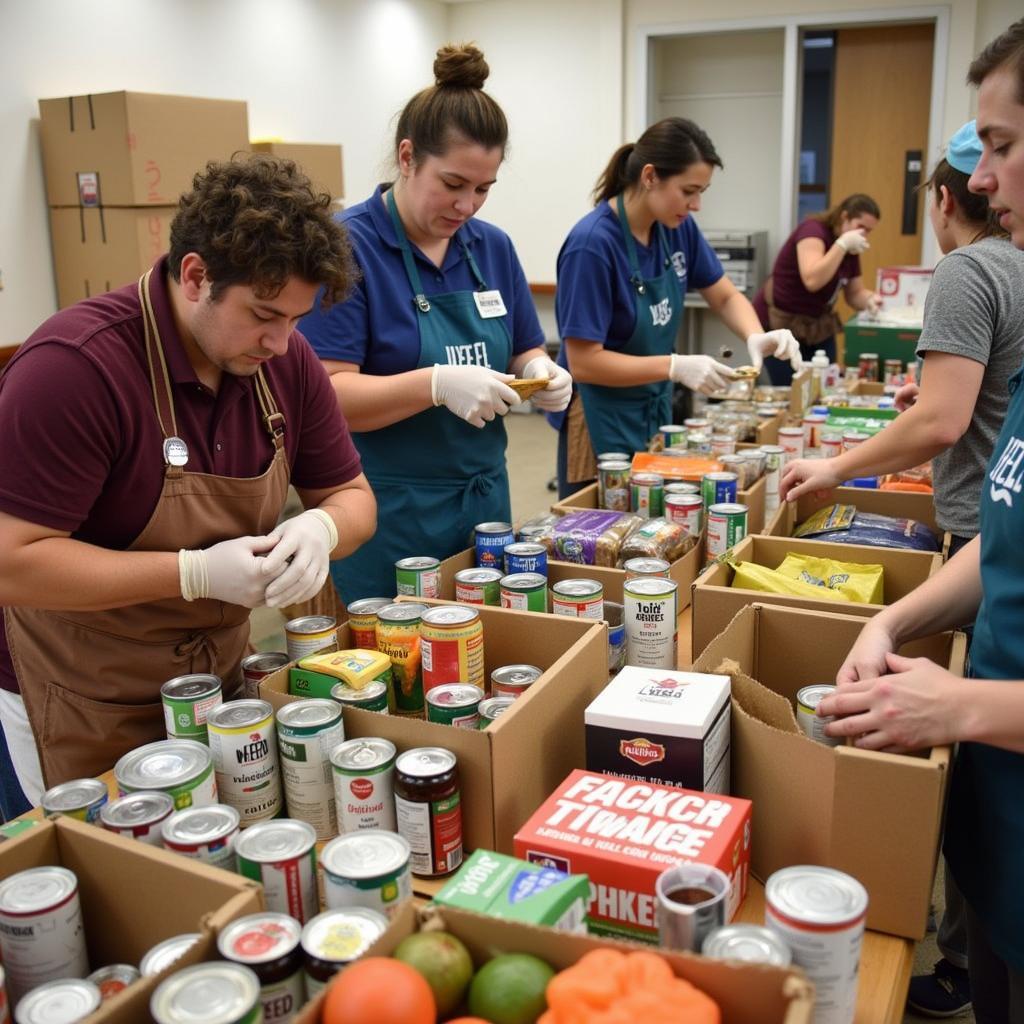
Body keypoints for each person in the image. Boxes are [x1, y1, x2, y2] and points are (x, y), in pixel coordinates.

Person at [0, 156, 377, 812]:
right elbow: (14, 562)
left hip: (217, 683)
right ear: (196, 275)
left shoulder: (285, 365)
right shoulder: (74, 371)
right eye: (264, 314)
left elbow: (353, 499)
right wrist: (193, 572)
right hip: (83, 697)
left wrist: (323, 527)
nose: (283, 343)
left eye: (296, 319)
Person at [779, 119, 1024, 1018]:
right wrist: (887, 622)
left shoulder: (971, 269)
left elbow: (947, 421)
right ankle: (968, 957)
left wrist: (957, 704)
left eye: (1006, 145)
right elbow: (1010, 538)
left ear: (940, 201)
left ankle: (963, 958)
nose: (992, 181)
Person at [300, 44, 571, 603]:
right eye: (452, 184)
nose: (468, 205)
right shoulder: (348, 248)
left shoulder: (490, 247)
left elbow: (522, 346)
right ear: (406, 157)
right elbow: (328, 393)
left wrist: (542, 369)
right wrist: (436, 384)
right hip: (389, 507)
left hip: (484, 499)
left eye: (483, 188)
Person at [550, 117, 801, 499]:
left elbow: (724, 295)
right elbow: (584, 362)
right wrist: (674, 365)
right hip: (601, 417)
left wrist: (756, 334)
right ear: (650, 176)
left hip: (652, 409)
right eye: (688, 191)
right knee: (601, 528)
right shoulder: (592, 246)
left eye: (702, 192)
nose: (696, 205)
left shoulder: (675, 227)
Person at [752, 193, 883, 386]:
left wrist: (870, 300)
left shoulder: (849, 247)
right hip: (781, 323)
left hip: (817, 327)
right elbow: (812, 280)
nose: (863, 235)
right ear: (844, 217)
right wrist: (842, 245)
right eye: (860, 227)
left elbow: (854, 294)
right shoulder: (813, 231)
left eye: (869, 231)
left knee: (825, 386)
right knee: (792, 391)